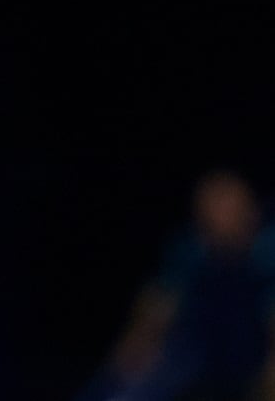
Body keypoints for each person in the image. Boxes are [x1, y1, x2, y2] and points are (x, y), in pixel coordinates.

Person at [74, 168, 275, 401]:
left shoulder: (268, 250)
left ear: (250, 208)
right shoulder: (190, 249)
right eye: (210, 206)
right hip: (196, 349)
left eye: (228, 205)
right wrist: (132, 354)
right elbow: (156, 308)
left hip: (254, 351)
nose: (219, 215)